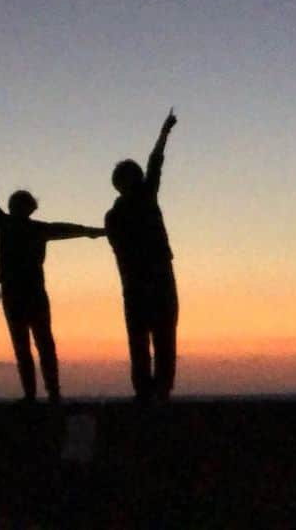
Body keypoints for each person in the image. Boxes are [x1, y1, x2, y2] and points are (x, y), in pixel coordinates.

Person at [0, 151, 105, 404]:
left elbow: (73, 230)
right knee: (36, 344)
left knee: (33, 344)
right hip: (24, 291)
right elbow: (74, 230)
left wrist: (99, 231)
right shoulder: (28, 227)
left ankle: (43, 393)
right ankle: (46, 393)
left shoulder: (17, 226)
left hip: (25, 291)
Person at [105, 108, 179, 402]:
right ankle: (157, 390)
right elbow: (155, 164)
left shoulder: (114, 215)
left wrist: (164, 133)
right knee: (160, 336)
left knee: (145, 338)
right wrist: (164, 133)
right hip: (153, 279)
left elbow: (154, 163)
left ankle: (149, 390)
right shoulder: (141, 201)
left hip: (138, 282)